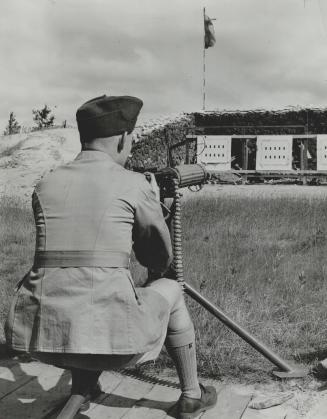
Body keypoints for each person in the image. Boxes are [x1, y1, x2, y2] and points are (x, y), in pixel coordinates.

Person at [5, 95, 217, 419]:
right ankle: (191, 395)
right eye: (129, 139)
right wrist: (156, 205)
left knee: (75, 286)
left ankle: (84, 390)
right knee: (172, 290)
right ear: (121, 138)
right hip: (113, 345)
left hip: (42, 338)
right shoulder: (133, 184)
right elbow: (159, 260)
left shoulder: (45, 184)